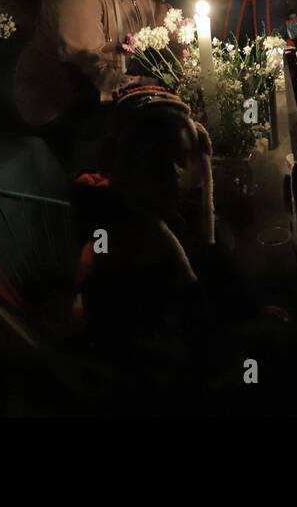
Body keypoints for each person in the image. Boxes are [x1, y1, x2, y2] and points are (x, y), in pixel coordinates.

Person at [69, 84, 216, 408]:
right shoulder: (139, 236)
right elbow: (195, 317)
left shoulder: (149, 206)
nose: (175, 174)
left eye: (181, 159)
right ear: (124, 167)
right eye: (157, 164)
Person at [13, 0, 170, 168]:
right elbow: (88, 66)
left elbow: (163, 25)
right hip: (64, 106)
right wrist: (145, 88)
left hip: (117, 90)